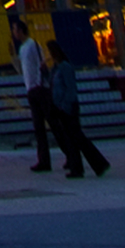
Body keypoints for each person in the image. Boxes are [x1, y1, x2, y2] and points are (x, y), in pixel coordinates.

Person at [45, 47, 109, 179]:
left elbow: (70, 88)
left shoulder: (64, 67)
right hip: (60, 107)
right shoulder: (55, 68)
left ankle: (96, 164)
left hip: (67, 107)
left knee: (76, 137)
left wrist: (65, 105)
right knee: (72, 138)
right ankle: (79, 167)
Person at [10, 16, 53, 173]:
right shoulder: (23, 48)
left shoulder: (32, 45)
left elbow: (40, 64)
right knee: (39, 127)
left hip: (38, 88)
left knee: (50, 124)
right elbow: (23, 69)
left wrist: (38, 83)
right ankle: (43, 160)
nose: (14, 33)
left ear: (21, 30)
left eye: (15, 30)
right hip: (32, 89)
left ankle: (66, 155)